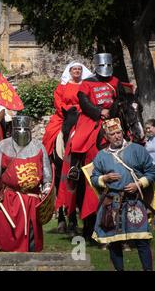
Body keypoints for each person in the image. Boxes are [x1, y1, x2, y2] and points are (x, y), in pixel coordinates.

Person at [62, 53, 126, 239]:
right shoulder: (87, 82)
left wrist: (112, 110)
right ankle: (75, 167)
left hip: (113, 118)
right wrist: (99, 112)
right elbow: (84, 102)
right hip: (92, 119)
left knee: (127, 136)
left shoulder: (115, 81)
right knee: (78, 140)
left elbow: (121, 100)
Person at [91, 118, 155, 271]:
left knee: (142, 240)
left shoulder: (137, 150)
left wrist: (138, 184)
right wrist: (104, 179)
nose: (117, 136)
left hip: (134, 203)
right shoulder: (101, 156)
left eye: (119, 132)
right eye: (112, 134)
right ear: (107, 137)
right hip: (112, 204)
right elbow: (94, 178)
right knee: (114, 242)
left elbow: (151, 172)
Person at [0, 116, 52, 252]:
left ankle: (32, 260)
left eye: (24, 129)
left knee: (32, 235)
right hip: (11, 200)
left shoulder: (38, 147)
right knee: (11, 237)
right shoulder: (3, 146)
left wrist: (47, 188)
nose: (22, 132)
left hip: (33, 200)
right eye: (19, 129)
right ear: (13, 130)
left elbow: (47, 174)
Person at [41, 62, 92, 235]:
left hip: (83, 115)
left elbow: (89, 101)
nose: (77, 72)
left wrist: (81, 109)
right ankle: (50, 159)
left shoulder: (86, 85)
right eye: (74, 70)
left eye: (79, 69)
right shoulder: (62, 86)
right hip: (65, 115)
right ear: (70, 71)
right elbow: (58, 101)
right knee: (50, 134)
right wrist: (67, 110)